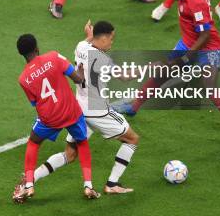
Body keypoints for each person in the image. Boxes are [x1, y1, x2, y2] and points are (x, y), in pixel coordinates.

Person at [116, 0, 220, 144]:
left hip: (208, 46)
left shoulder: (195, 3)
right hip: (188, 41)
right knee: (163, 73)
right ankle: (134, 106)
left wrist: (186, 58)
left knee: (209, 86)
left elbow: (205, 35)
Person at [33, 20, 140, 194]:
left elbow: (88, 40)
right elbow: (125, 77)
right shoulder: (103, 59)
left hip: (78, 110)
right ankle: (112, 184)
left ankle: (31, 178)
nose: (112, 42)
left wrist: (89, 36)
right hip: (98, 111)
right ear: (104, 38)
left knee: (70, 154)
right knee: (132, 139)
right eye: (111, 39)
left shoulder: (81, 46)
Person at [13, 34, 101, 203]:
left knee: (33, 142)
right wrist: (81, 72)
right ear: (37, 48)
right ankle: (88, 185)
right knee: (82, 143)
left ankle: (29, 184)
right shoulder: (54, 56)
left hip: (50, 119)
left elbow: (34, 102)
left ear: (21, 54)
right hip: (71, 113)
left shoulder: (23, 79)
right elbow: (78, 78)